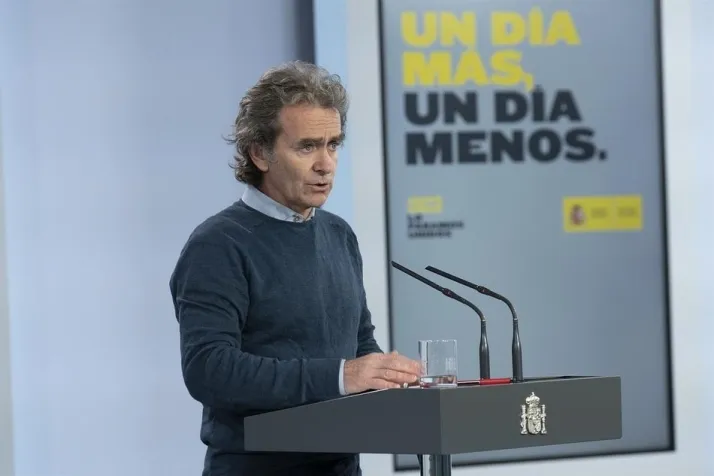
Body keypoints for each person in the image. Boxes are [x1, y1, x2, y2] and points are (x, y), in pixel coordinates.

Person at [169, 61, 423, 476]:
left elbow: (358, 341)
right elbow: (209, 369)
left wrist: (388, 378)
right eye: (307, 147)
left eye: (333, 145)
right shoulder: (218, 244)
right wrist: (341, 375)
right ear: (259, 153)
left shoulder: (339, 234)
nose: (326, 164)